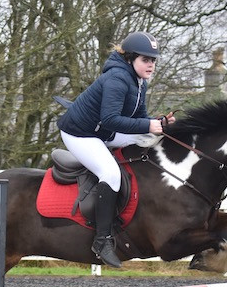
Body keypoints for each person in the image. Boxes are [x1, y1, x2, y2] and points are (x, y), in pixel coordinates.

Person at [57, 31, 175, 268]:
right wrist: (148, 125)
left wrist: (157, 123)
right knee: (110, 173)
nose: (151, 64)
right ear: (131, 59)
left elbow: (140, 119)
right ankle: (102, 240)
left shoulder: (139, 81)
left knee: (149, 140)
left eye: (153, 60)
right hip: (80, 134)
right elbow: (110, 118)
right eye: (145, 59)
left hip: (102, 131)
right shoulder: (118, 79)